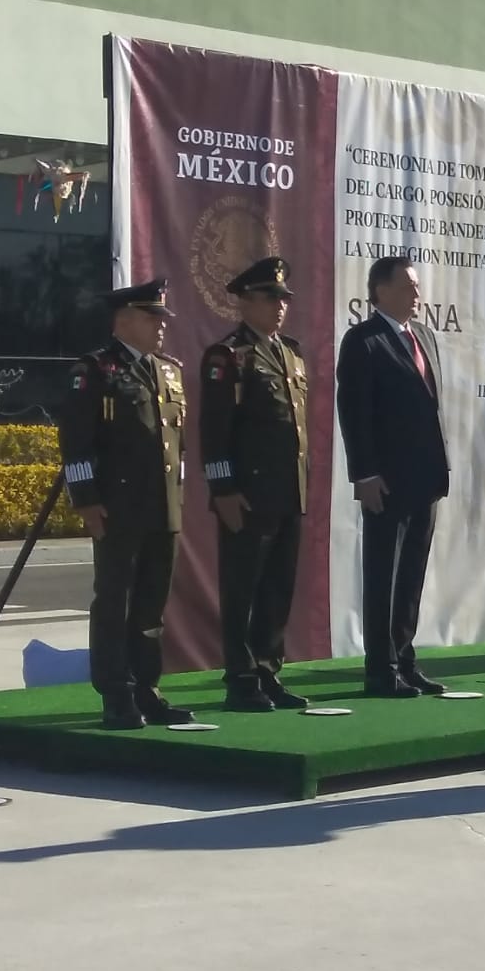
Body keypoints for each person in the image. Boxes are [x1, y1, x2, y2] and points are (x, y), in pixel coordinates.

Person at [58, 278, 196, 729]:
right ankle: (116, 693)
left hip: (162, 507)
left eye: (163, 317)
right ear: (124, 320)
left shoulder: (169, 371)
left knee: (151, 605)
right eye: (152, 317)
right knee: (115, 602)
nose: (162, 325)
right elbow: (76, 444)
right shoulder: (96, 371)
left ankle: (147, 689)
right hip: (117, 508)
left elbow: (177, 445)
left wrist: (178, 496)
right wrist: (86, 500)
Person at [335, 255, 451, 698]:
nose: (416, 294)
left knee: (411, 575)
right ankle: (380, 669)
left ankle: (404, 659)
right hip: (386, 480)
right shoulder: (363, 341)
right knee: (384, 573)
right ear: (380, 291)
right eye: (407, 287)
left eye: (417, 286)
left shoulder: (423, 336)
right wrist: (364, 474)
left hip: (425, 477)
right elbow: (355, 412)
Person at [200, 256, 312, 713]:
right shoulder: (229, 356)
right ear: (245, 302)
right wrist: (223, 490)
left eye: (284, 298)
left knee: (277, 589)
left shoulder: (291, 352)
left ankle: (268, 671)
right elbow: (214, 432)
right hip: (247, 495)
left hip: (287, 491)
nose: (280, 306)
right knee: (242, 590)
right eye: (270, 298)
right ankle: (242, 680)